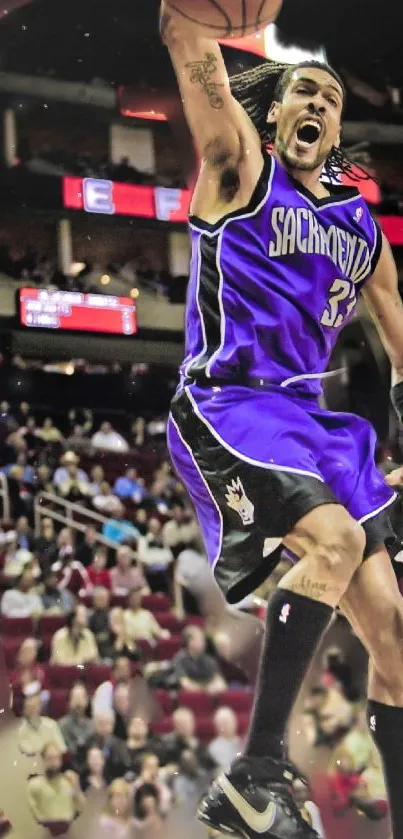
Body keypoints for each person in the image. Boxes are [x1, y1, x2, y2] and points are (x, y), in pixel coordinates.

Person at [162, 6, 403, 837]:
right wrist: (189, 19)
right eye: (302, 91)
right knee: (332, 542)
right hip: (230, 398)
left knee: (397, 645)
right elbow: (187, 40)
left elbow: (398, 337)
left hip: (315, 422)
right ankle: (256, 769)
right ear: (272, 111)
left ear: (337, 127)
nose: (317, 105)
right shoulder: (237, 168)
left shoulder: (359, 228)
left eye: (330, 99)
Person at [27, 742, 85, 832]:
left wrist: (76, 787)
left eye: (56, 758)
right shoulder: (34, 785)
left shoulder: (69, 780)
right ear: (43, 759)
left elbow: (81, 808)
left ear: (60, 761)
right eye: (50, 758)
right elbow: (36, 816)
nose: (53, 762)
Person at [172, 625, 226, 694]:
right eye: (200, 639)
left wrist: (216, 687)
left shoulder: (208, 659)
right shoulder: (179, 659)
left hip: (208, 695)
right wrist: (205, 690)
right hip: (188, 698)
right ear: (190, 642)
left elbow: (220, 682)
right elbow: (185, 684)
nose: (204, 643)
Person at [18, 692, 67, 756]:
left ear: (40, 708)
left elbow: (62, 749)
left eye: (34, 707)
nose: (32, 711)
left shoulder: (51, 724)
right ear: (24, 711)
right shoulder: (22, 731)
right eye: (29, 708)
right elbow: (28, 752)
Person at [59, 683, 94, 757]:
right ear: (70, 702)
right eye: (75, 698)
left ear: (87, 700)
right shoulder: (62, 725)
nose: (78, 702)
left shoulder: (92, 725)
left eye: (81, 698)